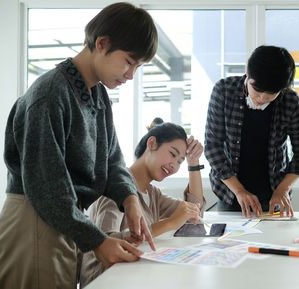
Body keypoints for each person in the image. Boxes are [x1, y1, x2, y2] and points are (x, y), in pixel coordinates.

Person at [0, 3, 158, 289]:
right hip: (34, 220)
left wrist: (129, 199)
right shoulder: (50, 94)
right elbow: (46, 187)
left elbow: (112, 160)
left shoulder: (98, 95)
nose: (131, 75)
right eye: (129, 62)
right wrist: (98, 241)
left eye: (138, 67)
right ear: (101, 43)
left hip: (65, 219)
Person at [80, 118, 205, 287]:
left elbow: (194, 215)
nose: (174, 166)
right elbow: (105, 241)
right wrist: (170, 223)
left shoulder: (152, 193)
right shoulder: (115, 186)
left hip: (134, 276)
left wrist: (193, 163)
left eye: (179, 162)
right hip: (106, 280)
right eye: (173, 154)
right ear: (152, 143)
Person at [204, 45, 299, 218]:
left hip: (275, 196)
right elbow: (212, 147)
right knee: (230, 243)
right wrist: (239, 191)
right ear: (248, 72)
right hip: (231, 194)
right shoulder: (224, 91)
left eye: (270, 94)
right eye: (257, 89)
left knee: (276, 243)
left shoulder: (291, 101)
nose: (261, 98)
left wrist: (282, 190)